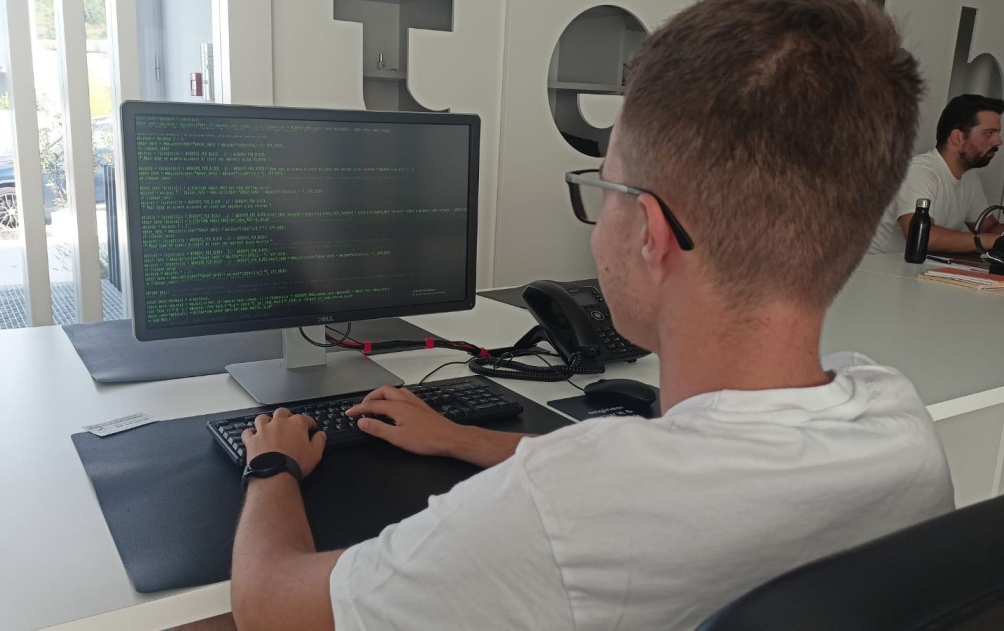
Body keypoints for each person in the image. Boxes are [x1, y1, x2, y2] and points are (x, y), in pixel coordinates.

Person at [227, 1, 955, 629]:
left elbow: (268, 605)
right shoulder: (900, 428)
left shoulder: (562, 513)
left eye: (604, 187)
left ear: (651, 233)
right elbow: (647, 475)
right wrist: (460, 437)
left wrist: (272, 463)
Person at [868, 94, 1004, 255]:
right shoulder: (919, 171)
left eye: (998, 133)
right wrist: (996, 241)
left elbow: (989, 228)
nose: (998, 141)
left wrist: (996, 236)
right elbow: (923, 236)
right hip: (877, 268)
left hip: (916, 267)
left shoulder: (970, 178)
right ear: (958, 137)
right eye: (989, 133)